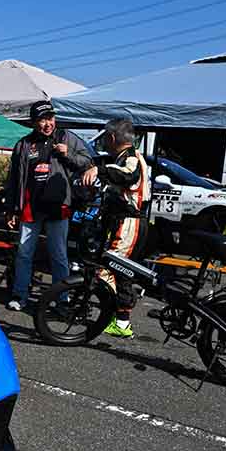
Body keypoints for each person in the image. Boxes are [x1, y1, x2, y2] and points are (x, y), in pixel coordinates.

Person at [2, 100, 92, 312]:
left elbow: (87, 161)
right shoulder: (23, 144)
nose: (47, 124)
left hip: (58, 207)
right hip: (30, 208)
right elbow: (13, 179)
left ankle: (62, 300)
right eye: (42, 120)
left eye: (50, 118)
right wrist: (11, 208)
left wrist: (67, 153)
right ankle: (19, 295)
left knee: (58, 255)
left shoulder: (66, 137)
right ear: (34, 122)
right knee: (24, 253)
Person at [81, 118, 151, 337]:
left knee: (109, 268)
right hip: (123, 221)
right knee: (121, 271)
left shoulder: (131, 158)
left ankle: (115, 317)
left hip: (130, 222)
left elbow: (128, 176)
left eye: (105, 137)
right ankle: (120, 321)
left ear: (112, 137)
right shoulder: (123, 157)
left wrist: (99, 171)